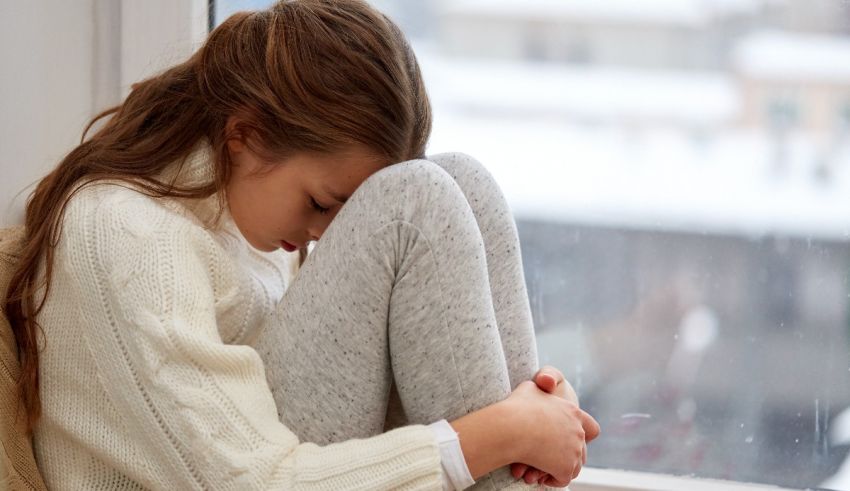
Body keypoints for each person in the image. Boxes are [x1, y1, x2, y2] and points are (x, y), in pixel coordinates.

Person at [4, 1, 600, 489]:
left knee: (462, 181)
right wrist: (500, 433)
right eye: (321, 203)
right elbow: (248, 481)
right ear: (244, 134)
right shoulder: (127, 235)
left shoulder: (249, 214)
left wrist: (530, 409)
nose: (323, 234)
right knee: (413, 202)